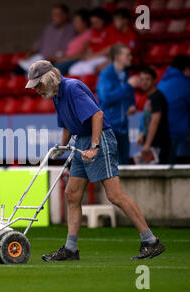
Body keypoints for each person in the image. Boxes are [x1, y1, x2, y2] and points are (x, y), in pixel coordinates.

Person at [24, 60, 165, 261]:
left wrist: (94, 146)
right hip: (82, 141)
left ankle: (150, 241)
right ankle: (71, 249)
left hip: (98, 139)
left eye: (38, 84)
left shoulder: (72, 88)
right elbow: (67, 125)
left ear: (48, 79)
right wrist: (62, 147)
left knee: (115, 195)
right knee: (72, 193)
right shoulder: (56, 94)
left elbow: (97, 115)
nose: (36, 89)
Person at [96, 43, 138, 164]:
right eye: (128, 55)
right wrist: (127, 86)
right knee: (113, 166)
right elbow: (105, 98)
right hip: (109, 127)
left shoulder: (126, 75)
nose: (131, 58)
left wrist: (132, 105)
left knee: (124, 165)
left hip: (123, 127)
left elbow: (130, 97)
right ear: (118, 57)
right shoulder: (106, 75)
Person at [157, 55, 190, 164]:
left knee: (161, 164)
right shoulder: (185, 82)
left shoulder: (162, 81)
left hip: (160, 130)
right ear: (187, 69)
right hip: (174, 129)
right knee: (169, 167)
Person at [17, 4, 75, 73]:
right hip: (40, 58)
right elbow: (38, 45)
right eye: (53, 14)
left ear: (65, 15)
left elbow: (64, 51)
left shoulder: (71, 29)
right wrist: (29, 54)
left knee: (31, 73)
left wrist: (50, 59)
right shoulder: (49, 27)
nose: (54, 17)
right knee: (17, 70)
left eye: (57, 14)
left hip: (53, 62)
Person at [136, 67, 171, 164]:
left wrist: (147, 144)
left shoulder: (157, 98)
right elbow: (148, 119)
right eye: (142, 79)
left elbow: (155, 121)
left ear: (154, 80)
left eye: (147, 79)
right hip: (154, 144)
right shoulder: (150, 97)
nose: (144, 82)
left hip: (159, 144)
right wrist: (143, 134)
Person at [67, 7, 114, 76]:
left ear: (103, 20)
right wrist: (87, 55)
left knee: (88, 69)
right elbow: (90, 47)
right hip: (93, 58)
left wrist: (93, 56)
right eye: (92, 23)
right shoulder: (94, 31)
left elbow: (110, 48)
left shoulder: (110, 30)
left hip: (103, 57)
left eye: (96, 22)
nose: (94, 25)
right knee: (73, 70)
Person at [52, 9, 92, 75]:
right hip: (66, 60)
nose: (74, 24)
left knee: (54, 71)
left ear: (84, 22)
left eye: (77, 21)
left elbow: (82, 53)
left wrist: (65, 59)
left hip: (74, 61)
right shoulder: (77, 35)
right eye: (74, 21)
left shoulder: (88, 34)